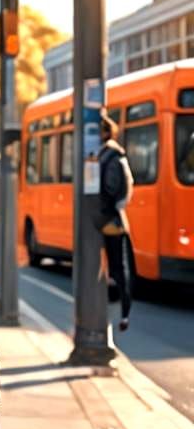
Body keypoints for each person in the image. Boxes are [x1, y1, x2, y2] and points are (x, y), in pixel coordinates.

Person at [98, 113, 134, 332]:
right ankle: (121, 313)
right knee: (116, 265)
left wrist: (99, 200)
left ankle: (124, 313)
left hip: (109, 219)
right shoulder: (110, 154)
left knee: (117, 266)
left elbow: (111, 188)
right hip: (111, 218)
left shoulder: (110, 156)